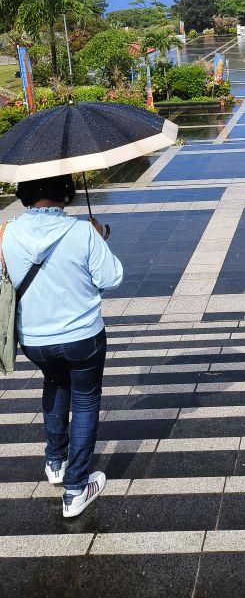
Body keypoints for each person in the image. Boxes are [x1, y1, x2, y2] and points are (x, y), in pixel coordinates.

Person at [1, 174, 123, 519]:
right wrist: (100, 238)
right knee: (85, 401)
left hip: (35, 340)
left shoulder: (6, 231)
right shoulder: (83, 232)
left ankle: (55, 462)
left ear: (24, 193)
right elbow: (111, 278)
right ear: (66, 192)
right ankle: (75, 488)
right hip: (82, 337)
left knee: (54, 384)